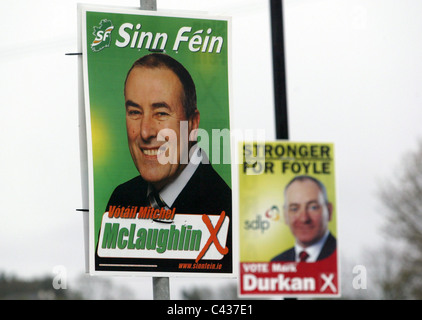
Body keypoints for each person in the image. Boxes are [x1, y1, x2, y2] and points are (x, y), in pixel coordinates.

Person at [96, 53, 232, 272]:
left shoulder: (227, 209)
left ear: (193, 123)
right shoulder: (121, 199)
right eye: (134, 112)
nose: (145, 131)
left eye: (161, 113)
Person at [271, 175, 336, 263]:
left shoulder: (343, 256)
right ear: (285, 215)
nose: (304, 218)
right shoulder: (277, 262)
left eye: (313, 207)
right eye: (294, 209)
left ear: (329, 211)